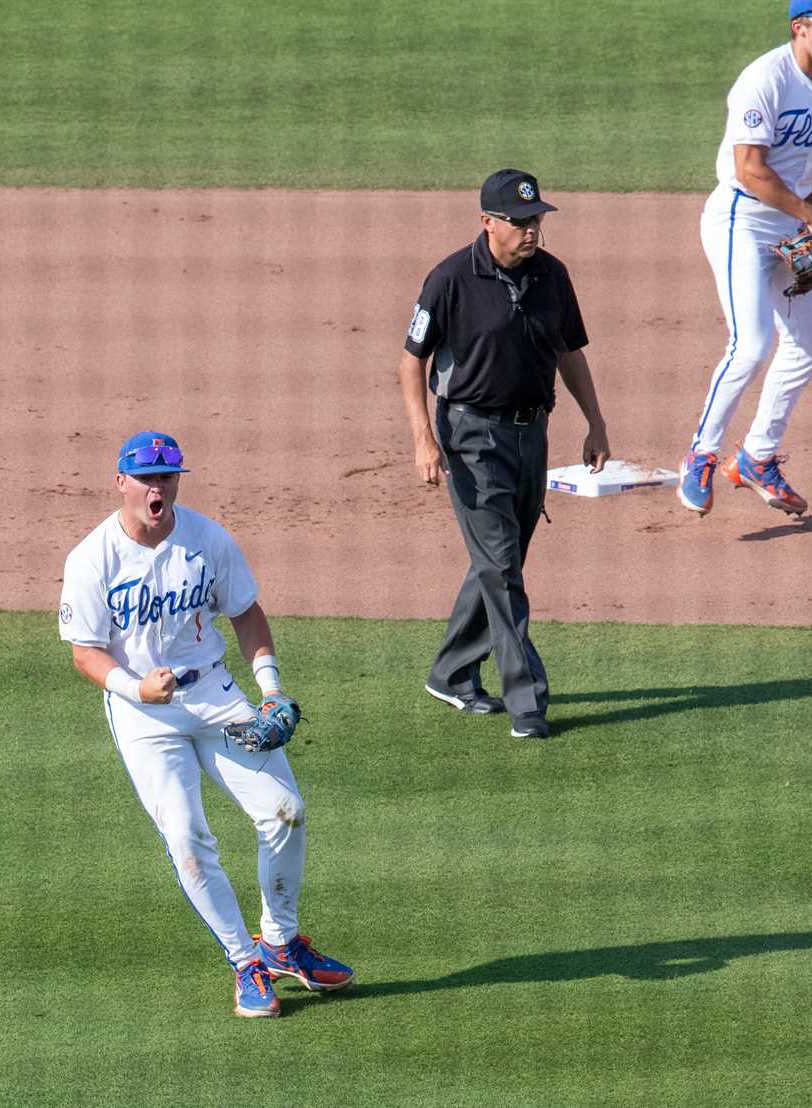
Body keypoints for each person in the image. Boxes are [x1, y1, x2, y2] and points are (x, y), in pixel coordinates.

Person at [57, 431, 353, 1019]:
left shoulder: (206, 540)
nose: (156, 487)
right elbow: (85, 652)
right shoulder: (93, 558)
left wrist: (271, 691)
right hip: (144, 714)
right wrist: (135, 686)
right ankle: (245, 962)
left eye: (167, 477)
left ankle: (281, 942)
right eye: (145, 477)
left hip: (215, 694)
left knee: (284, 809)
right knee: (188, 838)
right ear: (121, 482)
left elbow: (245, 613)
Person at [397, 169, 611, 740]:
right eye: (519, 222)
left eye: (536, 219)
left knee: (500, 561)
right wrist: (423, 438)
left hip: (530, 434)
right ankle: (528, 702)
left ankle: (451, 672)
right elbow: (411, 361)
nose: (530, 231)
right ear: (487, 222)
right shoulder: (450, 279)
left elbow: (569, 351)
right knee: (500, 566)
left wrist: (595, 421)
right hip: (471, 438)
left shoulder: (552, 276)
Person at [678, 0, 812, 518]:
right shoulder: (763, 79)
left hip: (792, 222)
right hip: (741, 219)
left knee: (809, 346)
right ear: (799, 27)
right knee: (751, 344)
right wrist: (809, 214)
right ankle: (701, 454)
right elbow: (749, 169)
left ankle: (758, 457)